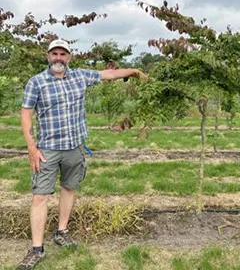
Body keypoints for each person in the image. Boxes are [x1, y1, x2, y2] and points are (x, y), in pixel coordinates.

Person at [17, 39, 148, 270]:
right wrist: (31, 147)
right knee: (40, 196)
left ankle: (62, 232)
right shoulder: (36, 82)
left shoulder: (80, 76)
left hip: (75, 147)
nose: (59, 57)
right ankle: (37, 249)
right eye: (55, 53)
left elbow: (109, 75)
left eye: (63, 54)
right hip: (47, 149)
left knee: (69, 187)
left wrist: (136, 71)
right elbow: (26, 113)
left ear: (69, 57)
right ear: (48, 56)